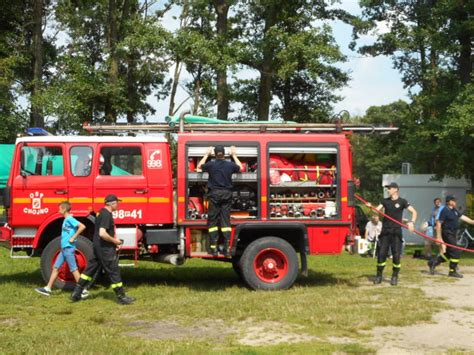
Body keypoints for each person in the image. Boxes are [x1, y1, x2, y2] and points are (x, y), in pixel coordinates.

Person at [70, 195, 135, 304]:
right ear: (111, 204)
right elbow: (102, 233)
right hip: (104, 248)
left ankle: (76, 293)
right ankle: (121, 297)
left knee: (89, 270)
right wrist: (115, 241)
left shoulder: (102, 213)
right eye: (116, 203)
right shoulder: (106, 214)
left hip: (98, 247)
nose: (118, 205)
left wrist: (114, 243)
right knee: (113, 270)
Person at [196, 145, 242, 257]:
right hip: (227, 194)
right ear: (224, 154)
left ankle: (214, 249)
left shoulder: (211, 165)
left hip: (214, 194)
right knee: (225, 221)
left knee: (213, 221)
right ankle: (226, 249)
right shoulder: (230, 165)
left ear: (215, 154)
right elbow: (240, 167)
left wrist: (206, 154)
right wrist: (234, 155)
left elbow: (199, 166)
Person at [368, 182, 417, 286]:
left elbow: (414, 212)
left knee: (396, 255)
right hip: (385, 231)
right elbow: (376, 211)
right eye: (388, 188)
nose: (388, 190)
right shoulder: (385, 201)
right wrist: (370, 207)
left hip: (396, 232)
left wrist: (411, 222)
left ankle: (394, 276)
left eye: (389, 188)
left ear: (396, 189)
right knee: (381, 254)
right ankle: (379, 276)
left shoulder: (402, 201)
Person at [35, 201, 86, 296]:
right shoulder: (66, 219)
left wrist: (73, 237)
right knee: (56, 267)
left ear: (64, 209)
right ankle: (48, 288)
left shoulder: (70, 219)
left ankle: (82, 290)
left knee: (74, 269)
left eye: (60, 209)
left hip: (68, 248)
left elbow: (82, 226)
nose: (58, 210)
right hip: (64, 249)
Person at [428, 195, 474, 278]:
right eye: (453, 200)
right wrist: (438, 237)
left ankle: (433, 262)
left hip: (453, 233)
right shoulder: (445, 210)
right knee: (456, 252)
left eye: (455, 200)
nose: (455, 202)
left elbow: (463, 217)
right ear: (449, 201)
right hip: (447, 233)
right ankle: (452, 271)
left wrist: (472, 222)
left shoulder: (454, 210)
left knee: (449, 253)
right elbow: (438, 223)